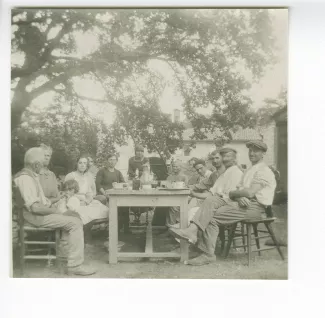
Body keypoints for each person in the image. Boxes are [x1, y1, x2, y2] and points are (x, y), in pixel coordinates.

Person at [170, 141, 276, 266]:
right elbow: (240, 190)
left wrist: (234, 194)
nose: (252, 153)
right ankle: (192, 231)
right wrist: (237, 195)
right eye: (250, 150)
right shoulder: (250, 169)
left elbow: (249, 193)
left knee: (210, 217)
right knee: (211, 201)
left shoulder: (263, 170)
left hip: (255, 207)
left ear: (263, 153)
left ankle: (207, 253)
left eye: (256, 151)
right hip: (243, 203)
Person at [14, 147, 96, 275]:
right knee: (75, 223)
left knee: (74, 216)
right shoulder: (26, 179)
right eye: (42, 164)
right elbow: (35, 208)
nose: (43, 167)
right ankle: (74, 265)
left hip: (37, 215)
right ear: (36, 164)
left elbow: (41, 202)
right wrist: (56, 211)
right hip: (35, 218)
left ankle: (65, 257)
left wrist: (57, 200)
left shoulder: (30, 176)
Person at [65, 155, 109, 225]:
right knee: (83, 214)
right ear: (77, 164)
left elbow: (90, 193)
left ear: (87, 165)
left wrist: (87, 201)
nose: (82, 165)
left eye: (85, 163)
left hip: (85, 201)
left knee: (105, 210)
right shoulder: (71, 176)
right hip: (73, 201)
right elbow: (67, 193)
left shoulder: (87, 177)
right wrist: (79, 201)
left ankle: (90, 232)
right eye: (80, 163)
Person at [95, 153, 129, 232]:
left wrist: (121, 186)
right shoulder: (102, 171)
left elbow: (124, 184)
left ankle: (126, 229)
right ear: (107, 161)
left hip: (116, 195)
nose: (112, 162)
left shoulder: (118, 172)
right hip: (104, 195)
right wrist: (105, 194)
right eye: (110, 159)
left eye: (114, 160)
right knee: (113, 206)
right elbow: (98, 184)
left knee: (125, 205)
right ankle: (113, 230)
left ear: (116, 161)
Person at [166, 160, 189, 228]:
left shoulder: (184, 177)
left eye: (176, 166)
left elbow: (186, 189)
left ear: (181, 167)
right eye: (173, 166)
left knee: (172, 206)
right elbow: (166, 187)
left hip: (181, 198)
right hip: (170, 197)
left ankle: (172, 227)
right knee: (164, 205)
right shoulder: (169, 177)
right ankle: (168, 227)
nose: (174, 168)